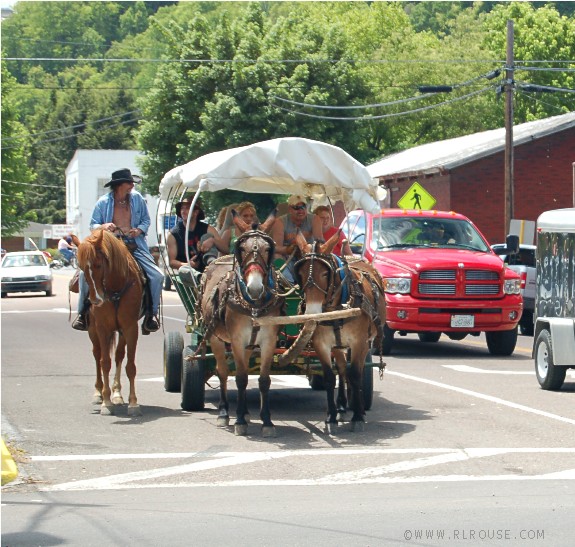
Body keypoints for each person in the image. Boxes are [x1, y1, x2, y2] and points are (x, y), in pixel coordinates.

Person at [72, 168, 164, 333]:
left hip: (133, 245)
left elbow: (146, 220)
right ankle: (82, 312)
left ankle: (151, 315)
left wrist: (139, 230)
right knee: (83, 275)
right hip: (109, 247)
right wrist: (104, 226)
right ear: (119, 185)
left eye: (132, 183)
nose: (131, 186)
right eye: (129, 183)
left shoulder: (138, 199)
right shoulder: (103, 202)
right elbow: (93, 225)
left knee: (157, 275)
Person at [271, 195, 323, 283]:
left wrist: (308, 248)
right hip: (288, 258)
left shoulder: (315, 219)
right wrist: (288, 249)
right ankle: (289, 283)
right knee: (276, 257)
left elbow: (320, 242)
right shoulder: (280, 222)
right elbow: (276, 248)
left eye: (303, 207)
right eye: (296, 208)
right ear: (290, 209)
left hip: (309, 257)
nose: (300, 210)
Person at [166, 196, 225, 273]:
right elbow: (172, 262)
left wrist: (213, 241)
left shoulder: (208, 229)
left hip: (208, 271)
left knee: (207, 236)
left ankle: (211, 262)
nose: (183, 211)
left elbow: (225, 249)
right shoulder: (173, 234)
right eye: (182, 208)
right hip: (187, 272)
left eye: (187, 208)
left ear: (196, 212)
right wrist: (188, 265)